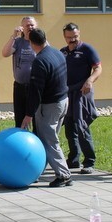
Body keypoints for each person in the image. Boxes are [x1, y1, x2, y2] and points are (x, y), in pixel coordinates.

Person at [21, 28, 71, 188]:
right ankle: (37, 171)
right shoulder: (57, 53)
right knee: (49, 140)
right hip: (63, 100)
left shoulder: (40, 61)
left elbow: (36, 91)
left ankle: (64, 175)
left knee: (49, 141)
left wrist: (28, 114)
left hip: (50, 106)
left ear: (31, 43)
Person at [60, 23, 102, 174]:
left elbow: (98, 68)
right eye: (69, 37)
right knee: (69, 127)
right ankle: (73, 159)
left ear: (79, 34)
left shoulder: (87, 49)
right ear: (64, 37)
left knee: (82, 126)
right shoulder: (63, 52)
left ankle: (89, 161)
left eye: (75, 36)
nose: (72, 40)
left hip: (82, 93)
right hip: (67, 93)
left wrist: (90, 81)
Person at [1, 16, 38, 130]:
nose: (30, 27)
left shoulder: (40, 41)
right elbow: (5, 53)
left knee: (36, 118)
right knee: (20, 119)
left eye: (32, 25)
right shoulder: (18, 42)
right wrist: (13, 36)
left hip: (35, 86)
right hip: (20, 87)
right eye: (27, 25)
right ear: (22, 28)